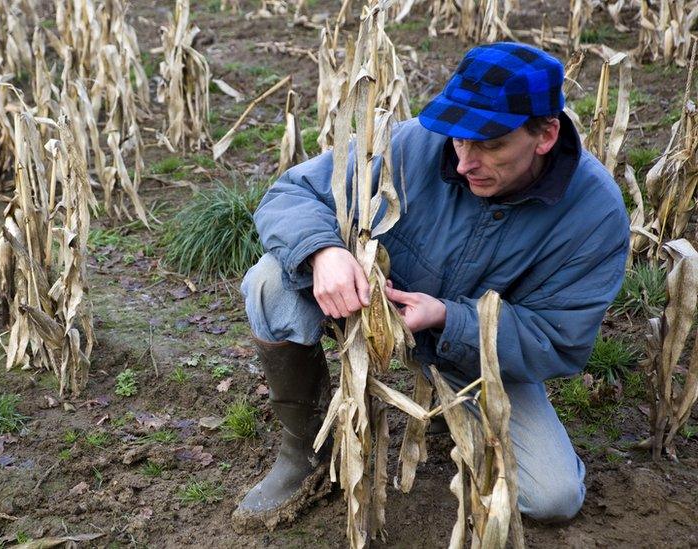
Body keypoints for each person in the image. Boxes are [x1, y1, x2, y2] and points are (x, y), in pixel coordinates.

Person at [232, 42, 631, 531]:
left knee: (553, 498)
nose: (465, 162)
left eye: (491, 145)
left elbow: (557, 340)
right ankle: (303, 454)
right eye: (461, 140)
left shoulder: (594, 215)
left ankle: (455, 406)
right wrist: (324, 252)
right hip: (366, 307)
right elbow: (290, 194)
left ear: (545, 134)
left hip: (474, 354)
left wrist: (448, 318)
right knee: (271, 280)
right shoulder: (417, 143)